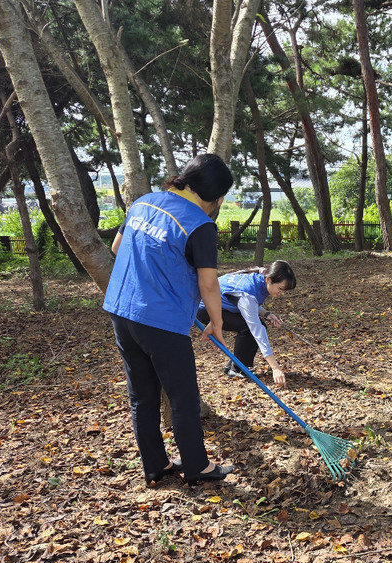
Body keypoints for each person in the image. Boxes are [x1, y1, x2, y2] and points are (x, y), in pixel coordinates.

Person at [103, 154, 236, 487]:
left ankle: (156, 467)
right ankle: (197, 468)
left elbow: (118, 247)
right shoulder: (201, 225)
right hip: (161, 321)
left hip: (122, 311)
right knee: (182, 397)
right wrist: (217, 323)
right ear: (217, 197)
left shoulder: (144, 202)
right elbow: (208, 283)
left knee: (142, 395)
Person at [196, 261, 297, 388]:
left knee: (257, 325)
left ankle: (236, 364)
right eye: (280, 289)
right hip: (205, 310)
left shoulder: (260, 276)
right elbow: (256, 327)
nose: (282, 294)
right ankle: (237, 369)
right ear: (268, 279)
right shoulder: (248, 291)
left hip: (218, 305)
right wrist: (275, 368)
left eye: (285, 291)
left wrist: (265, 313)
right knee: (250, 329)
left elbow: (248, 302)